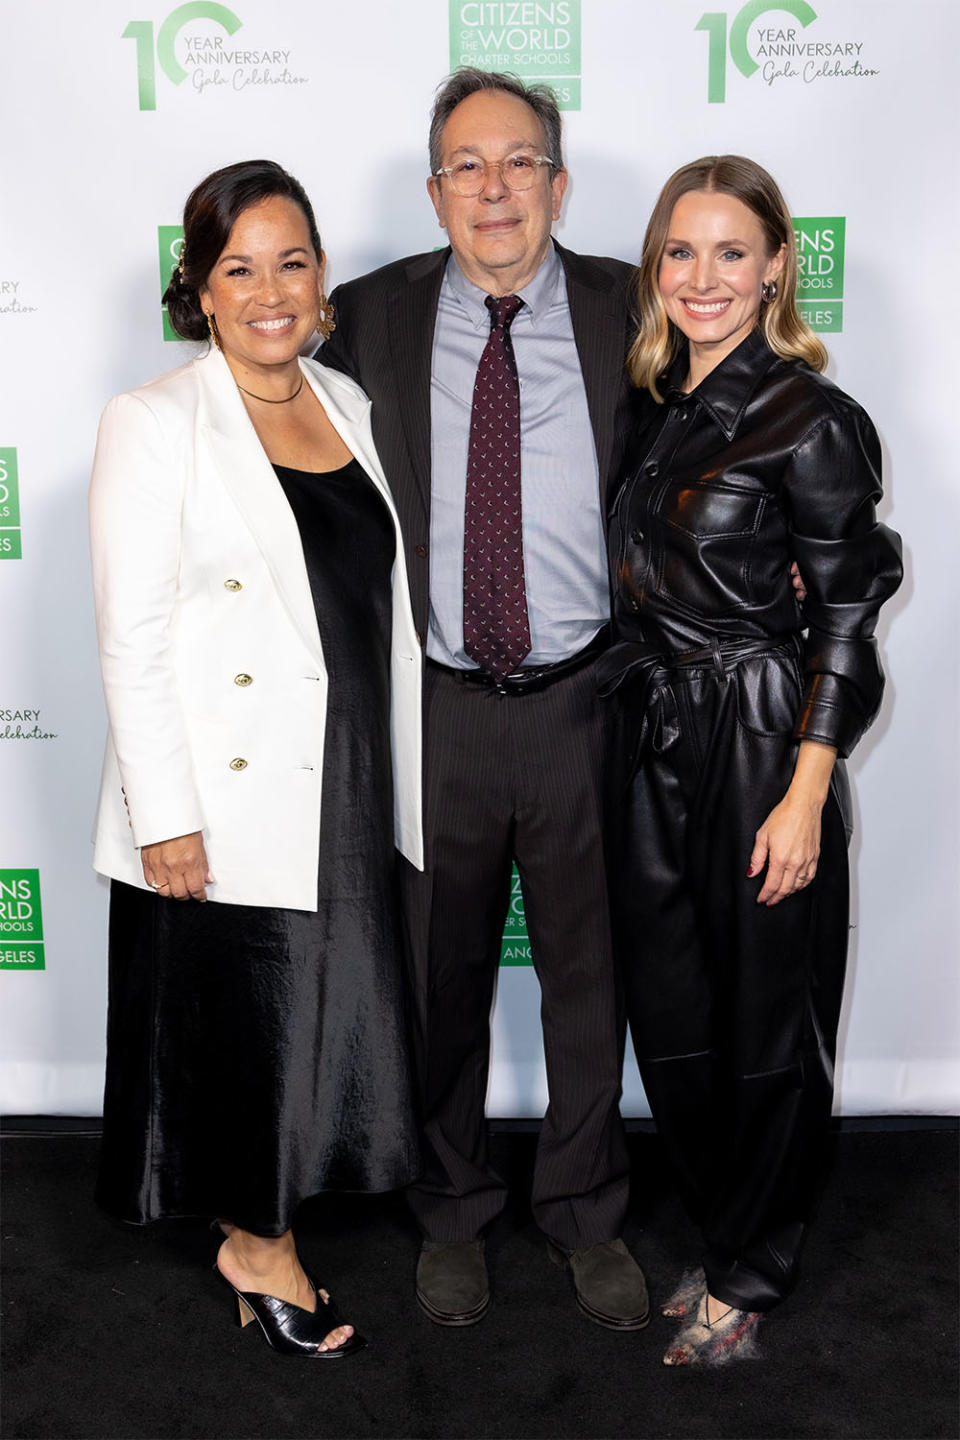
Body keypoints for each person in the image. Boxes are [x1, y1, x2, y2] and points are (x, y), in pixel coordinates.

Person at [319, 69, 649, 1330]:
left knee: (588, 976)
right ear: (434, 189)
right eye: (467, 165)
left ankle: (584, 1210)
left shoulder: (632, 306)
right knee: (436, 975)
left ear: (558, 183)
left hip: (585, 703)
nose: (495, 188)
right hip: (437, 706)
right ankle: (451, 1210)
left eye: (519, 163)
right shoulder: (367, 313)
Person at [89, 159, 424, 1359]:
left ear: (323, 279)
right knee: (248, 1016)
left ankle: (270, 1219)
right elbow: (128, 638)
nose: (270, 290)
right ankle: (258, 1245)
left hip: (344, 771)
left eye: (292, 262)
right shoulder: (155, 418)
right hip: (225, 787)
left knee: (318, 1008)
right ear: (201, 288)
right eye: (241, 268)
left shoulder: (346, 400)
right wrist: (163, 813)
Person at [599, 155, 902, 1365]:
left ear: (778, 263)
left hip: (766, 742)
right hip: (652, 741)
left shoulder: (815, 420)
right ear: (655, 268)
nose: (704, 277)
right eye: (681, 251)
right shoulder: (655, 401)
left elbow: (843, 616)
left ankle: (754, 1271)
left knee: (769, 1025)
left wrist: (807, 791)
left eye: (733, 252)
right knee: (674, 1018)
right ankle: (726, 1231)